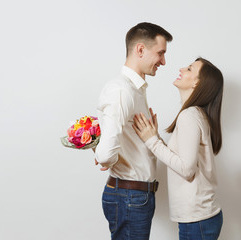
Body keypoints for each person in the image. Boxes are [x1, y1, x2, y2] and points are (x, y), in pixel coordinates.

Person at [94, 22, 173, 240]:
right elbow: (105, 154)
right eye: (160, 53)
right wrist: (107, 159)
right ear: (140, 49)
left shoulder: (133, 89)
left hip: (135, 196)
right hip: (129, 196)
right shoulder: (121, 90)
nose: (163, 61)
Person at [133, 57, 224, 240]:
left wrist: (152, 141)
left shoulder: (189, 116)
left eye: (190, 69)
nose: (182, 69)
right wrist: (155, 137)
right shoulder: (195, 114)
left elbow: (187, 169)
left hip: (197, 219)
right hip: (201, 218)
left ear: (198, 83)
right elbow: (183, 159)